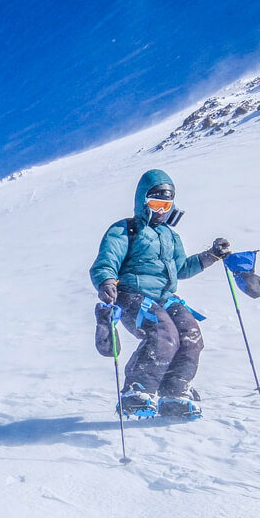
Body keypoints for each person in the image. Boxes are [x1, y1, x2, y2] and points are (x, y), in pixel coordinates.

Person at [89, 169, 230, 418]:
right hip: (132, 295)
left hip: (165, 297)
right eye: (155, 203)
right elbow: (107, 259)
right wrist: (107, 282)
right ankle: (137, 389)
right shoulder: (126, 230)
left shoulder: (171, 236)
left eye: (167, 204)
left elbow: (182, 269)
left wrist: (211, 255)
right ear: (143, 202)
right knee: (164, 334)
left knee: (191, 335)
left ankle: (175, 392)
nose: (162, 210)